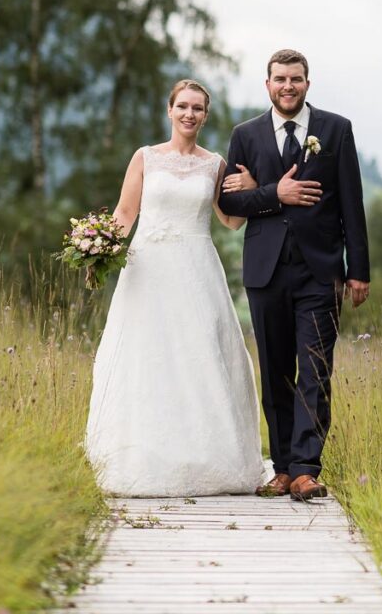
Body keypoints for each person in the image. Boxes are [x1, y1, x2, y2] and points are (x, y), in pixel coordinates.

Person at [84, 79, 265, 497]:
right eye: (182, 106)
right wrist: (95, 249)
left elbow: (231, 221)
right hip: (147, 269)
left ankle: (207, 457)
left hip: (196, 268)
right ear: (169, 111)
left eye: (197, 108)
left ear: (206, 115)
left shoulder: (215, 164)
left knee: (199, 354)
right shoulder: (145, 158)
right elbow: (125, 214)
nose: (189, 114)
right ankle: (139, 455)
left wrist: (253, 191)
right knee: (147, 356)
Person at [218, 49, 370, 501]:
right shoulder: (245, 135)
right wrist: (273, 192)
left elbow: (351, 203)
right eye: (280, 79)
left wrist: (357, 270)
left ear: (308, 83)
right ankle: (281, 466)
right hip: (265, 272)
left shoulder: (335, 130)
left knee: (316, 371)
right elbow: (229, 204)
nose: (288, 86)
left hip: (321, 271)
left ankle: (306, 468)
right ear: (267, 85)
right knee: (276, 370)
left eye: (296, 79)